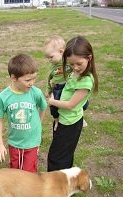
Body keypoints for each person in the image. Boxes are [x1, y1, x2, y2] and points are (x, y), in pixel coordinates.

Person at [0, 53, 47, 197]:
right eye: (28, 80)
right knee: (15, 171)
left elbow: (43, 106)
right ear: (13, 78)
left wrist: (39, 124)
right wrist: (0, 144)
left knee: (29, 173)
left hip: (31, 142)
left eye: (34, 79)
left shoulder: (35, 92)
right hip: (15, 143)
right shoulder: (4, 96)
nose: (32, 83)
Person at [47, 35, 98, 172]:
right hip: (64, 120)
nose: (75, 68)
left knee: (56, 157)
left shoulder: (85, 81)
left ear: (89, 58)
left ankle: (55, 188)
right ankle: (64, 185)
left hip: (70, 124)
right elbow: (67, 87)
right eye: (71, 64)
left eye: (79, 64)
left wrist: (51, 101)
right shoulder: (75, 74)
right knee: (63, 154)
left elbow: (70, 105)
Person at [43, 35, 89, 130]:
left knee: (82, 103)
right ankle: (56, 120)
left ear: (61, 52)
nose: (49, 60)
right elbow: (49, 78)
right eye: (47, 58)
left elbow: (77, 70)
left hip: (69, 85)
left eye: (51, 57)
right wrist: (48, 89)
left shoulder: (69, 62)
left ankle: (80, 117)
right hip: (58, 87)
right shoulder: (52, 67)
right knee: (54, 107)